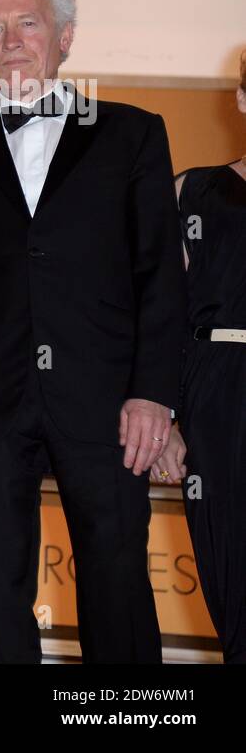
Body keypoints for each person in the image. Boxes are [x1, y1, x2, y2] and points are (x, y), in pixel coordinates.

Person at [0, 0, 186, 663]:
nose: (12, 39)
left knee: (118, 582)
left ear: (65, 38)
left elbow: (160, 274)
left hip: (107, 401)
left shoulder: (133, 135)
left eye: (29, 23)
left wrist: (155, 393)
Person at [167, 50, 246, 663]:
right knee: (230, 570)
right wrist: (164, 416)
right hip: (216, 392)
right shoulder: (194, 193)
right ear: (242, 100)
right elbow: (158, 316)